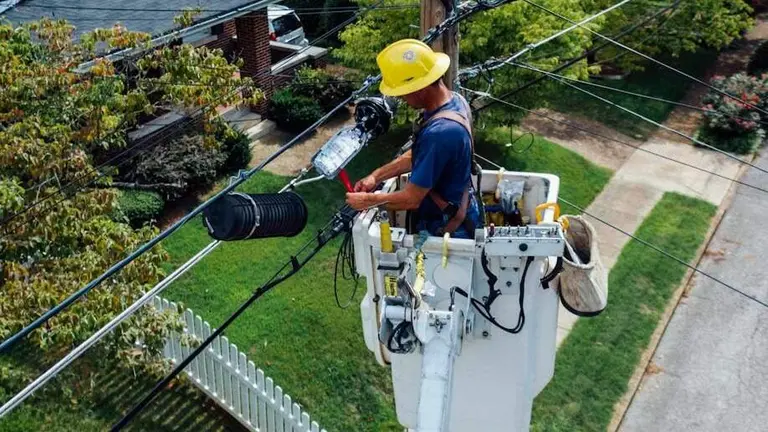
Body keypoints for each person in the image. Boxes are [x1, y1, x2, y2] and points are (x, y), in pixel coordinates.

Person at [345, 39, 482, 239]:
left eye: (402, 93)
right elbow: (419, 156)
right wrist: (376, 176)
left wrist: (367, 201)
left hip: (447, 228)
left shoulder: (441, 132)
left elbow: (411, 199)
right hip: (455, 210)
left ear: (420, 88)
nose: (401, 99)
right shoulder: (453, 101)